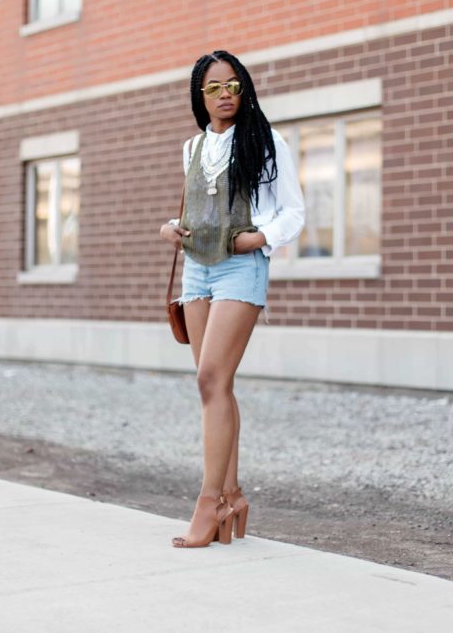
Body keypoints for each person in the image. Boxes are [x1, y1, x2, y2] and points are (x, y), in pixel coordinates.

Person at [159, 50, 305, 548]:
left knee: (210, 379)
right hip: (197, 267)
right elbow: (201, 210)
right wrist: (174, 229)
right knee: (214, 388)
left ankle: (207, 502)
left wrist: (260, 238)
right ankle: (232, 495)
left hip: (241, 267)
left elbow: (294, 211)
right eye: (214, 88)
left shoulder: (267, 141)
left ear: (245, 89)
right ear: (200, 96)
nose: (225, 95)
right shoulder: (193, 147)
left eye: (233, 85)